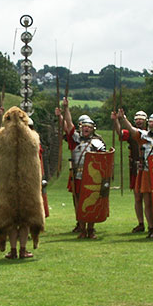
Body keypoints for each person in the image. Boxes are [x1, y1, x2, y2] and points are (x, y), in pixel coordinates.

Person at [0, 106, 45, 258]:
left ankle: (13, 249)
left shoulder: (1, 139)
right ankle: (23, 249)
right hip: (27, 185)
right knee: (25, 220)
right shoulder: (33, 138)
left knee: (10, 219)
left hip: (7, 185)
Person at [114, 109, 153, 239]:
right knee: (147, 202)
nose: (151, 124)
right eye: (150, 122)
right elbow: (131, 129)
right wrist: (123, 118)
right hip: (146, 172)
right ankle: (151, 228)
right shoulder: (143, 136)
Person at [57, 98, 107, 239]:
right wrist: (66, 109)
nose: (86, 129)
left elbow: (103, 163)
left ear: (92, 129)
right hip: (78, 176)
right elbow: (69, 124)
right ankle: (82, 229)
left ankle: (91, 230)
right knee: (79, 203)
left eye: (89, 127)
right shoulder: (75, 140)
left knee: (91, 202)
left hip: (92, 177)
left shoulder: (97, 143)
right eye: (84, 126)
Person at [113, 110, 147, 232]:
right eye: (137, 119)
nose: (139, 121)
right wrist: (116, 120)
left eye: (141, 119)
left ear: (145, 120)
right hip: (136, 168)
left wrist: (123, 118)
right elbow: (120, 133)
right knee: (138, 198)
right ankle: (141, 223)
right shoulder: (132, 134)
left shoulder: (150, 133)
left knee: (150, 198)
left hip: (148, 169)